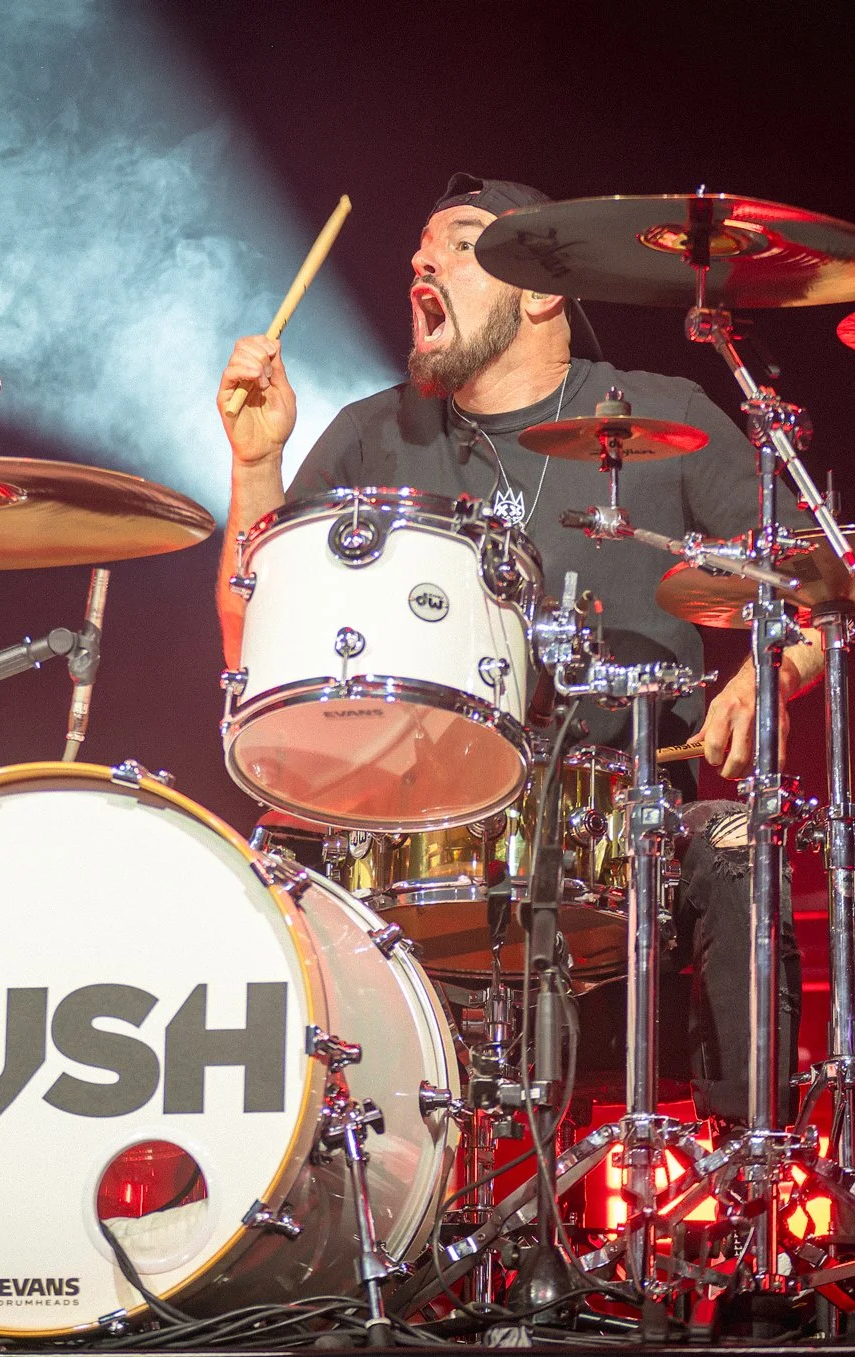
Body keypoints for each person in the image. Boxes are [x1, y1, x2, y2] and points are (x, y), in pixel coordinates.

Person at [213, 174, 824, 1123]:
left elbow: (816, 592)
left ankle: (755, 1173)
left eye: (459, 243)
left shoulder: (660, 418)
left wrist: (764, 674)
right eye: (420, 247)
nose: (421, 260)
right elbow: (255, 641)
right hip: (407, 831)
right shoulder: (372, 435)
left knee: (743, 847)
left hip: (626, 828)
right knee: (256, 869)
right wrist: (255, 463)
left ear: (540, 291)